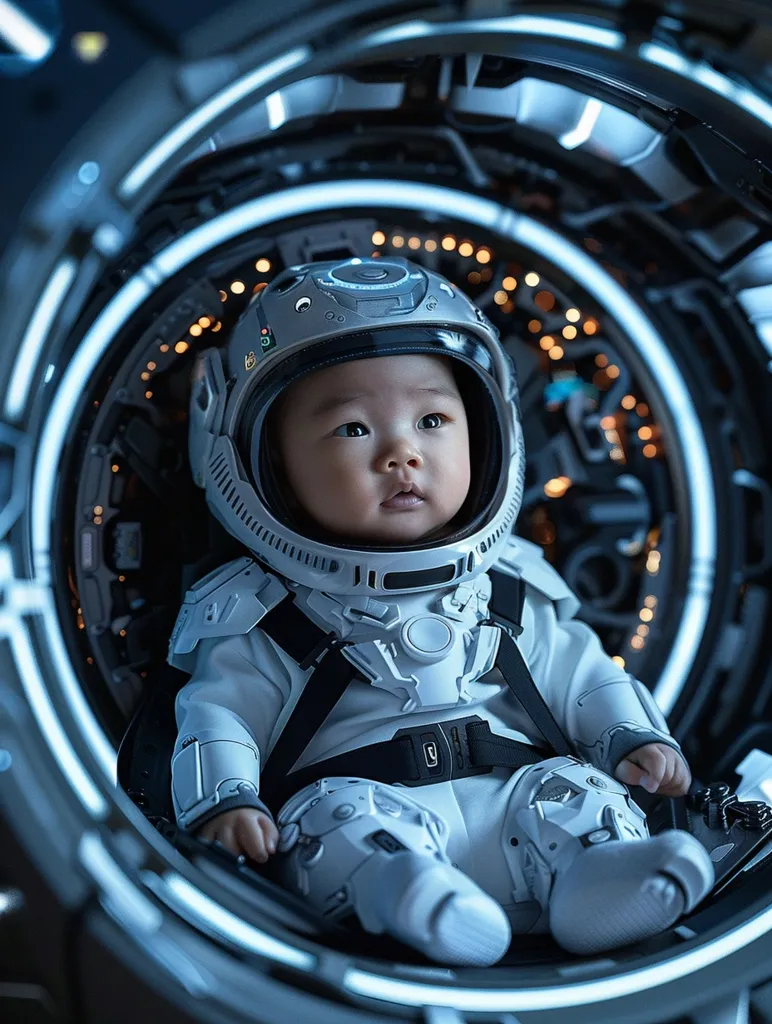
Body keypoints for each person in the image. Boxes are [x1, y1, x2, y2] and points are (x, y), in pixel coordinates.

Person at [168, 256, 714, 966]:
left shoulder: (512, 585)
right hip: (374, 808)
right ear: (265, 461)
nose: (403, 453)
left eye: (431, 419)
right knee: (337, 826)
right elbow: (219, 717)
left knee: (580, 795)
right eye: (354, 429)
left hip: (518, 804)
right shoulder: (262, 612)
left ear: (488, 433)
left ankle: (598, 886)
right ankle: (418, 903)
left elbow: (582, 677)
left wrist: (630, 739)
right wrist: (226, 801)